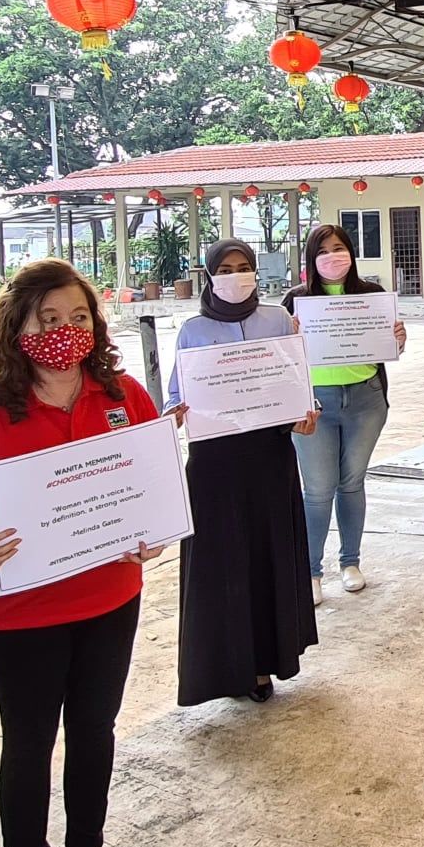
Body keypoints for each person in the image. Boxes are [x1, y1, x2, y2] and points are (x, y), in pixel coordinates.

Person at [0, 259, 163, 847]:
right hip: (21, 614)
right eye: (49, 320)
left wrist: (146, 530)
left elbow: (149, 487)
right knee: (30, 747)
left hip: (110, 598)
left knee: (95, 733)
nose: (66, 331)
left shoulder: (124, 394)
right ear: (18, 327)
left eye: (79, 317)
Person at [165, 240, 319, 705]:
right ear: (211, 275)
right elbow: (175, 394)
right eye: (227, 268)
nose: (237, 275)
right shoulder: (192, 330)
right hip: (214, 462)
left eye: (245, 267)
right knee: (222, 565)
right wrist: (174, 413)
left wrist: (304, 411)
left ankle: (262, 665)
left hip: (268, 456)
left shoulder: (277, 320)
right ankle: (226, 668)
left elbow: (297, 381)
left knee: (266, 556)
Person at [284, 222, 405, 601]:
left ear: (351, 254)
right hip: (315, 406)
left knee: (352, 483)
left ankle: (350, 562)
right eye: (322, 251)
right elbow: (283, 358)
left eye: (339, 249)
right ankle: (311, 572)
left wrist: (397, 340)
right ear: (310, 259)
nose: (332, 257)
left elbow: (389, 347)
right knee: (318, 489)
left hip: (366, 400)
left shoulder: (372, 294)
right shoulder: (295, 300)